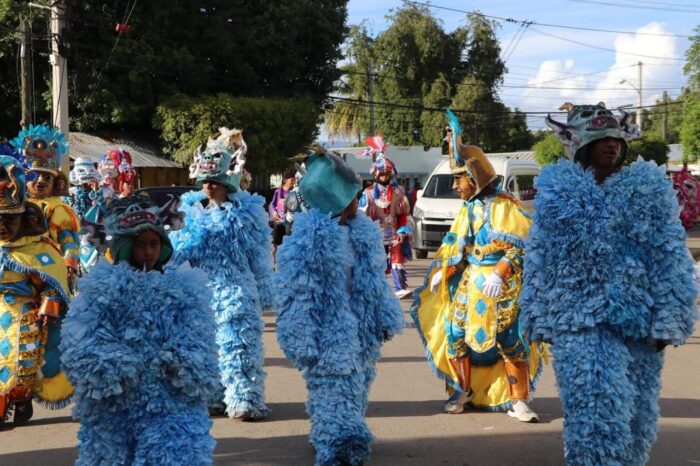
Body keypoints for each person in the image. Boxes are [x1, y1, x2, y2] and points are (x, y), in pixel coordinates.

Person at [520, 102, 698, 465]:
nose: (611, 144)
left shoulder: (648, 190)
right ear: (581, 145)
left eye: (615, 137)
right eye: (601, 138)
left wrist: (671, 317)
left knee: (636, 415)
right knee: (594, 409)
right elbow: (541, 255)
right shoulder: (558, 194)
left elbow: (669, 255)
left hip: (638, 321)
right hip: (578, 320)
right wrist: (537, 316)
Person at [61, 195, 219, 465]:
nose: (148, 252)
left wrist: (181, 360)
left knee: (173, 453)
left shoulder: (184, 287)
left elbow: (200, 336)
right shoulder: (101, 288)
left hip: (170, 396)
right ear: (125, 246)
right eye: (140, 245)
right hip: (117, 401)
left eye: (154, 244)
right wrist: (116, 365)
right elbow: (81, 340)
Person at [275, 147, 405, 466]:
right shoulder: (307, 242)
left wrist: (384, 316)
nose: (357, 202)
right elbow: (296, 295)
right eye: (352, 196)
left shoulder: (363, 233)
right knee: (333, 387)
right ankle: (337, 445)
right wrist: (300, 338)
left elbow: (374, 280)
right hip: (329, 331)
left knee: (358, 385)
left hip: (361, 327)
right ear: (336, 199)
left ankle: (337, 433)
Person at [410, 109, 542, 421]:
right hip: (471, 283)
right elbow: (458, 249)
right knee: (455, 334)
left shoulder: (505, 207)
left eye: (458, 179)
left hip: (502, 285)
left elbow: (523, 246)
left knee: (510, 338)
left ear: (474, 177)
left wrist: (501, 272)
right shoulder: (467, 210)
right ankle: (463, 390)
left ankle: (519, 400)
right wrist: (445, 271)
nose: (455, 186)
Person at [170, 127, 274, 421]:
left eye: (214, 181)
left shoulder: (247, 213)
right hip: (204, 293)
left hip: (237, 290)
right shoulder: (193, 213)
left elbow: (259, 256)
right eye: (205, 181)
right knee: (209, 348)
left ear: (228, 181)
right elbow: (180, 253)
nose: (209, 186)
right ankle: (215, 397)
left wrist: (266, 292)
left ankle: (245, 399)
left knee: (239, 346)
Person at [0, 155, 70, 426]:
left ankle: (20, 398)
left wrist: (50, 302)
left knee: (20, 362)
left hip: (24, 311)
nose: (3, 227)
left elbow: (53, 279)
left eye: (9, 220)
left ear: (24, 218)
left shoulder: (38, 248)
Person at [11, 125, 80, 287]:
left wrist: (70, 263)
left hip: (45, 265)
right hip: (13, 262)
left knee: (51, 296)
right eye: (35, 175)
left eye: (47, 178)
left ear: (57, 184)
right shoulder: (13, 203)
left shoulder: (57, 207)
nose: (40, 181)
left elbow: (68, 238)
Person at [359, 133, 414, 299]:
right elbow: (363, 217)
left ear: (391, 174)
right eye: (381, 174)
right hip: (376, 233)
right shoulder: (368, 194)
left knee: (397, 260)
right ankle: (376, 289)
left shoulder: (398, 192)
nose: (384, 176)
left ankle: (400, 288)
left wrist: (403, 229)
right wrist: (367, 234)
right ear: (376, 175)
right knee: (377, 262)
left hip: (395, 232)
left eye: (387, 174)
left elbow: (404, 213)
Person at [269, 168, 295, 264]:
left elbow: (293, 209)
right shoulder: (278, 191)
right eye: (292, 180)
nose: (293, 182)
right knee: (276, 236)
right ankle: (273, 260)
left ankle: (285, 260)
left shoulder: (294, 193)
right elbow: (272, 204)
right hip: (277, 219)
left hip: (288, 220)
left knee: (288, 236)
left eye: (294, 180)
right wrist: (274, 212)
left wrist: (285, 219)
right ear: (285, 180)